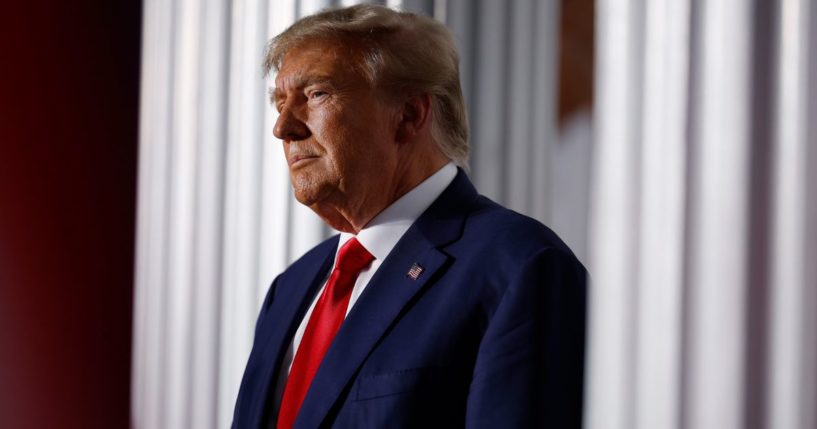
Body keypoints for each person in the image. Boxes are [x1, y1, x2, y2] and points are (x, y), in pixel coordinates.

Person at [233, 5, 587, 428]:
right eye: (280, 102)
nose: (283, 127)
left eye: (316, 94)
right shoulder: (289, 289)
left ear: (409, 115)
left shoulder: (522, 268)